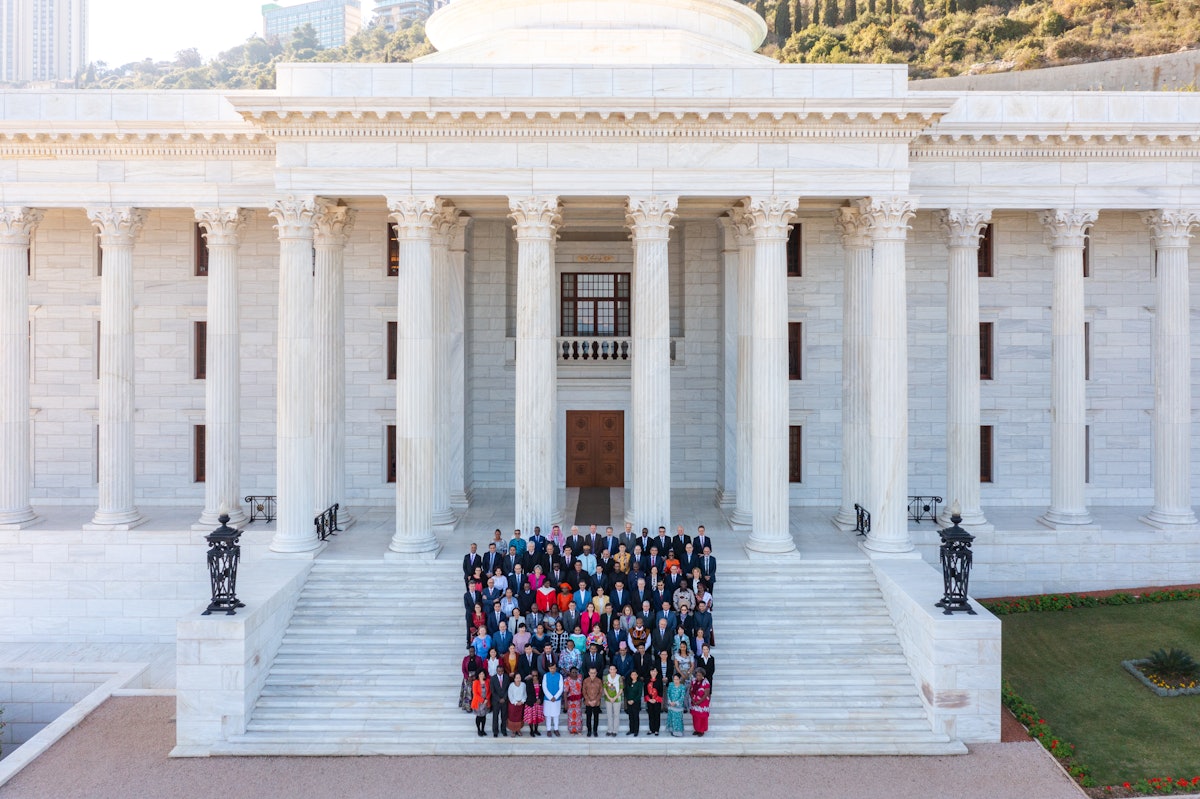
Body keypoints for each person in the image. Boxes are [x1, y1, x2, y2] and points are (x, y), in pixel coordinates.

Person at [542, 662, 564, 737]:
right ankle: (548, 729)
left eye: (554, 668)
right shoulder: (545, 676)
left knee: (556, 715)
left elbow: (561, 688)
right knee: (548, 715)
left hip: (556, 699)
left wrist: (556, 697)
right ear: (549, 668)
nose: (553, 669)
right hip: (548, 699)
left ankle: (556, 729)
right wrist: (550, 697)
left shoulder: (559, 676)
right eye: (551, 668)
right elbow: (544, 687)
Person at [602, 664, 624, 737]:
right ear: (609, 670)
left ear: (616, 670)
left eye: (613, 669)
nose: (612, 671)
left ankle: (615, 730)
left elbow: (621, 689)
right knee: (609, 715)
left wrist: (615, 697)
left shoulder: (619, 677)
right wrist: (609, 697)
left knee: (616, 715)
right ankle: (610, 729)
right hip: (608, 698)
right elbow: (604, 688)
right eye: (610, 669)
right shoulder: (606, 678)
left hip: (617, 698)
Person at [461, 646, 483, 712]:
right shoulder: (465, 658)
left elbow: (480, 668)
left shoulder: (478, 658)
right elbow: (463, 669)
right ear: (469, 651)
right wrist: (468, 677)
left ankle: (475, 707)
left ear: (475, 651)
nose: (472, 652)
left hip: (476, 677)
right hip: (467, 678)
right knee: (468, 693)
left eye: (473, 651)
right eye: (470, 651)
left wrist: (475, 676)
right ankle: (468, 707)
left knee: (475, 692)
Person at [583, 666, 603, 738]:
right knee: (588, 717)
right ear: (589, 673)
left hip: (596, 703)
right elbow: (584, 692)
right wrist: (588, 700)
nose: (593, 674)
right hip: (588, 703)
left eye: (594, 673)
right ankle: (589, 730)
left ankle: (595, 730)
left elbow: (600, 692)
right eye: (591, 673)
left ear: (596, 673)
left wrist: (596, 700)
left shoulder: (599, 681)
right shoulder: (585, 681)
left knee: (596, 717)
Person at [690, 667, 710, 736]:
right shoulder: (693, 681)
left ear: (702, 675)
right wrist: (693, 700)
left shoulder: (706, 682)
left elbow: (706, 693)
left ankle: (701, 730)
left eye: (699, 675)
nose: (697, 676)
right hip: (694, 702)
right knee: (695, 717)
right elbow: (690, 691)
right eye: (696, 675)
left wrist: (699, 701)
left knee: (701, 717)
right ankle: (697, 729)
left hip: (702, 702)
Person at [564, 666, 584, 735]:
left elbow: (582, 689)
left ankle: (578, 730)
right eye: (573, 672)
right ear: (570, 673)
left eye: (576, 672)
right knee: (571, 716)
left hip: (578, 700)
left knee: (578, 716)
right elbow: (565, 692)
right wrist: (565, 703)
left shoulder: (580, 678)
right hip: (571, 701)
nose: (574, 673)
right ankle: (572, 730)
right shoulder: (567, 680)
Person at [524, 669, 544, 736]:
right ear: (531, 675)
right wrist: (535, 700)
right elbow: (528, 693)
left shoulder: (540, 681)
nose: (535, 677)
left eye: (536, 675)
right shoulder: (528, 682)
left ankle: (536, 730)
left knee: (537, 718)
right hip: (531, 702)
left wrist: (540, 699)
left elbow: (542, 692)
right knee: (531, 718)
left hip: (538, 703)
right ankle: (531, 730)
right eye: (533, 675)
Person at [489, 669, 509, 737]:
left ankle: (503, 730)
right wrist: (498, 699)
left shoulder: (506, 677)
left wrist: (504, 698)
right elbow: (492, 690)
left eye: (501, 671)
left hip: (504, 700)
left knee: (504, 716)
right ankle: (495, 731)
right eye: (498, 671)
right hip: (496, 701)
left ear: (503, 671)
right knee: (495, 717)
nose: (500, 672)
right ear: (496, 671)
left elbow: (508, 689)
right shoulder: (493, 678)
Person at [666, 673, 687, 737]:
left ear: (680, 679)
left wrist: (676, 703)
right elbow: (668, 693)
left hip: (678, 706)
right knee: (671, 718)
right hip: (671, 704)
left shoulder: (682, 687)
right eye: (674, 679)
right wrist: (670, 701)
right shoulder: (671, 684)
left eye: (677, 679)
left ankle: (678, 732)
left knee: (677, 719)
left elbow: (682, 697)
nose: (675, 681)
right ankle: (672, 730)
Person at [624, 668, 643, 736]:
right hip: (629, 702)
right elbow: (625, 692)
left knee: (635, 716)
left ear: (637, 675)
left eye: (635, 674)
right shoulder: (628, 682)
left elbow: (639, 694)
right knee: (630, 716)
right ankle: (631, 730)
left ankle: (636, 730)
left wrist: (633, 700)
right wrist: (628, 700)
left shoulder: (639, 683)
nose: (633, 676)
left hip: (636, 702)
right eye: (632, 675)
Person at [644, 666, 663, 736]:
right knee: (651, 714)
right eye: (652, 671)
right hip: (649, 700)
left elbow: (661, 691)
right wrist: (649, 699)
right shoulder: (647, 680)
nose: (653, 673)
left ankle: (656, 729)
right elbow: (645, 691)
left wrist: (656, 699)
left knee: (657, 715)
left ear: (657, 672)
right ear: (650, 672)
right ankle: (651, 729)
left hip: (657, 700)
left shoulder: (659, 680)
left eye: (655, 671)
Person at [471, 670, 491, 736]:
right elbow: (475, 693)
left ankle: (483, 730)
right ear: (478, 675)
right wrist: (482, 700)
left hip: (486, 702)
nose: (482, 675)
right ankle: (479, 730)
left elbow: (489, 691)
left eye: (483, 674)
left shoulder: (487, 681)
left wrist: (487, 699)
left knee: (484, 717)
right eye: (480, 674)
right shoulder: (475, 682)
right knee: (479, 717)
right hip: (478, 703)